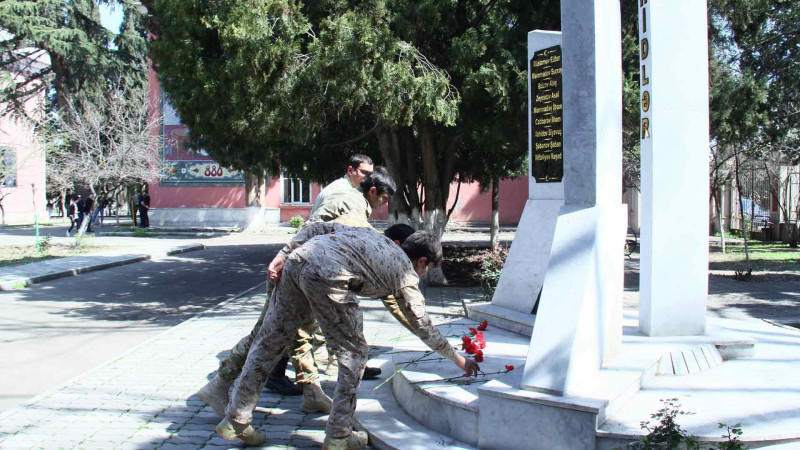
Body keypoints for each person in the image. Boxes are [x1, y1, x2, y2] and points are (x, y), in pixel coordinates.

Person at [215, 229, 480, 448]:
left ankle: (236, 419)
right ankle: (339, 435)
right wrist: (459, 360)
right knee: (353, 354)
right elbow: (422, 324)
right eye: (429, 269)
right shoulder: (405, 274)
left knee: (268, 342)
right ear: (422, 261)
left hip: (298, 262)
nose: (425, 275)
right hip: (328, 275)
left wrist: (284, 253)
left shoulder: (375, 237)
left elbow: (318, 227)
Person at [196, 168, 397, 415]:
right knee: (266, 333)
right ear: (373, 191)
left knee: (299, 332)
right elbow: (314, 228)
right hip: (298, 272)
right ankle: (219, 386)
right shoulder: (350, 201)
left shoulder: (353, 200)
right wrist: (286, 258)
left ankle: (311, 393)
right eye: (384, 199)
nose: (383, 205)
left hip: (306, 272)